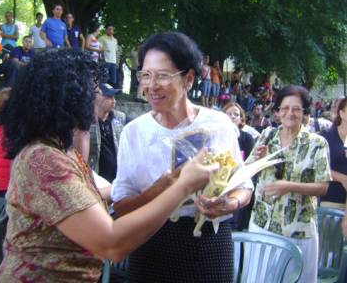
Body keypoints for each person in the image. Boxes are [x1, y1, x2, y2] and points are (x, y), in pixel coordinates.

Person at [0, 49, 216, 282]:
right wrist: (182, 187)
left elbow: (82, 202)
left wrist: (163, 185)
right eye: (91, 92)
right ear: (66, 98)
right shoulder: (42, 160)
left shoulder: (63, 152)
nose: (95, 99)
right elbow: (111, 244)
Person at [112, 32, 253, 282]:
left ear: (189, 79)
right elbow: (121, 207)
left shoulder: (219, 124)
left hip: (210, 243)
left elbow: (243, 185)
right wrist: (160, 189)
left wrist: (229, 204)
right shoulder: (134, 133)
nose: (151, 85)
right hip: (150, 243)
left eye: (162, 76)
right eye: (146, 75)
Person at [247, 85, 331, 283]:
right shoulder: (267, 135)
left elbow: (323, 186)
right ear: (277, 112)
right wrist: (259, 160)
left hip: (298, 228)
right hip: (262, 223)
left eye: (296, 109)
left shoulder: (317, 143)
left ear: (305, 113)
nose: (289, 113)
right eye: (284, 108)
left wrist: (289, 186)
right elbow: (247, 170)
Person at [222, 102, 255, 231]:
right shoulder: (217, 136)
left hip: (238, 186)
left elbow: (250, 163)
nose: (232, 117)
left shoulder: (247, 138)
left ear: (241, 119)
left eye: (236, 114)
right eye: (229, 114)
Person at [89, 83, 128, 183]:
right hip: (96, 180)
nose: (113, 100)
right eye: (109, 97)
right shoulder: (87, 121)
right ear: (96, 97)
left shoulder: (121, 118)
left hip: (118, 179)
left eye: (114, 97)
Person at [320, 97, 347, 209]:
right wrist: (342, 178)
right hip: (332, 201)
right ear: (341, 113)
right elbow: (318, 168)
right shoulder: (325, 136)